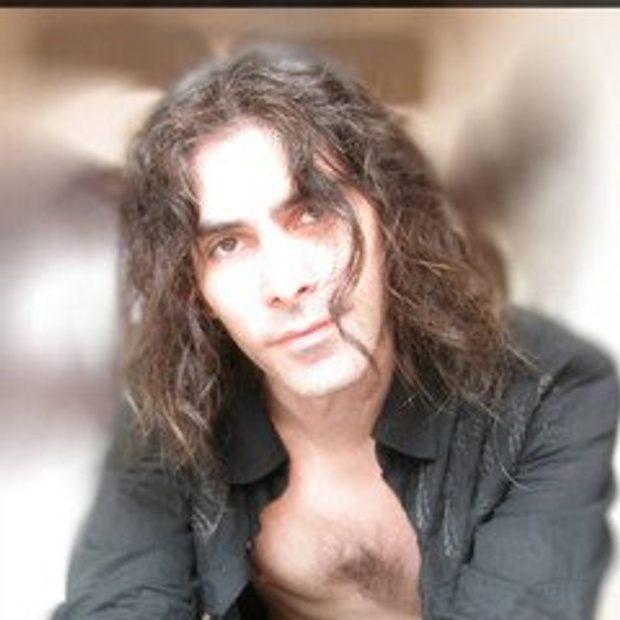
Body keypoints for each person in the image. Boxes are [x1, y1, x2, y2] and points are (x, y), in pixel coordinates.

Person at [54, 42, 618, 620]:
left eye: (313, 212)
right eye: (228, 245)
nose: (285, 282)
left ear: (389, 218)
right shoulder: (170, 413)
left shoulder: (546, 388)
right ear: (194, 289)